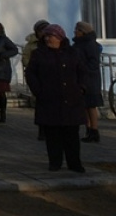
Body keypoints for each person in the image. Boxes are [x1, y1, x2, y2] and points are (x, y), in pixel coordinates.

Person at [26, 24, 86, 173]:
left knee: (71, 134)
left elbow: (83, 72)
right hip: (49, 100)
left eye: (50, 36)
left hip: (71, 100)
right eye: (45, 36)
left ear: (59, 37)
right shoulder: (39, 54)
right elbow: (31, 74)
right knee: (53, 135)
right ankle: (55, 162)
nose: (47, 39)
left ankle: (74, 163)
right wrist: (38, 91)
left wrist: (81, 88)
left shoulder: (72, 53)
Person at [74, 21, 103, 143]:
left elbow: (93, 63)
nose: (75, 32)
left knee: (91, 105)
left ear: (83, 32)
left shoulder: (90, 44)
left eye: (77, 30)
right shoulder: (79, 44)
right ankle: (89, 129)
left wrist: (82, 69)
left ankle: (94, 130)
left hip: (90, 79)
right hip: (82, 78)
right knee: (84, 105)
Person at [22, 19, 49, 140]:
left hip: (51, 78)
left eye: (46, 30)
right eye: (41, 30)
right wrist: (32, 68)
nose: (44, 33)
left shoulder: (52, 42)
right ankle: (42, 130)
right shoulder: (31, 45)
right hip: (38, 78)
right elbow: (25, 58)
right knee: (41, 105)